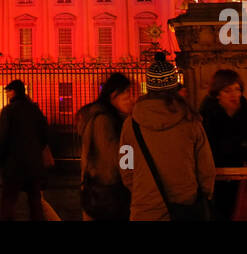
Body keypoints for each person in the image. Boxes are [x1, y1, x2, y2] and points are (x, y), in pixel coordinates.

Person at [118, 53, 215, 221]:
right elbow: (206, 167)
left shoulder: (131, 124)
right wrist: (202, 194)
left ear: (148, 87)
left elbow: (125, 165)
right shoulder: (191, 121)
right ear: (175, 87)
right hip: (185, 207)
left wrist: (143, 190)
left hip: (145, 209)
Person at [198, 69, 247, 220]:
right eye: (227, 90)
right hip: (217, 185)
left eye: (237, 89)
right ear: (217, 94)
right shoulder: (206, 120)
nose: (234, 94)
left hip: (246, 184)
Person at [75, 73, 134, 221]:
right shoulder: (104, 120)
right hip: (108, 190)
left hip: (102, 188)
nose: (131, 101)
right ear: (114, 96)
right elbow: (116, 157)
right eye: (126, 97)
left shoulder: (106, 117)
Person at [0, 79, 51, 221]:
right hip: (33, 164)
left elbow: (2, 138)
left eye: (8, 91)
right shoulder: (35, 109)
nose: (7, 94)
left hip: (13, 164)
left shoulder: (8, 111)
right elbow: (45, 134)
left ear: (14, 92)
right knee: (34, 201)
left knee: (8, 201)